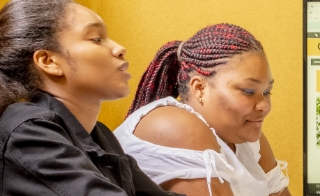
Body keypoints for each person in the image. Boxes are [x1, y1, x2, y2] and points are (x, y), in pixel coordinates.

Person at [0, 0, 175, 195]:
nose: (120, 49)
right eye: (96, 39)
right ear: (48, 61)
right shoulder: (27, 132)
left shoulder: (100, 136)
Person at [116, 23, 291, 196]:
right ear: (199, 88)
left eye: (267, 92)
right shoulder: (176, 126)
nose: (264, 105)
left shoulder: (245, 138)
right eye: (248, 91)